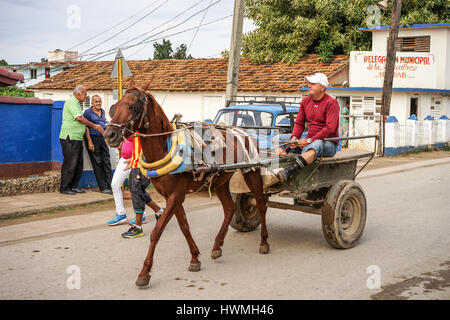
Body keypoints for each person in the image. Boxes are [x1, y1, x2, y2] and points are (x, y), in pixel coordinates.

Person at [276, 73, 340, 183]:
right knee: (278, 138)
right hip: (310, 139)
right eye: (308, 83)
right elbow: (299, 123)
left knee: (317, 144)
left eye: (313, 83)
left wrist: (310, 140)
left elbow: (330, 128)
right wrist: (294, 137)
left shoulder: (331, 103)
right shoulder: (305, 101)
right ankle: (282, 168)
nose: (309, 85)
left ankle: (290, 171)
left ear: (322, 87)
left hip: (328, 143)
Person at [113, 133, 164, 238]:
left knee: (136, 190)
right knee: (137, 190)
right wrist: (133, 159)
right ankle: (159, 212)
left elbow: (149, 144)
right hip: (136, 162)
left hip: (144, 164)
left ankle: (138, 226)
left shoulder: (143, 128)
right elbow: (138, 146)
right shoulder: (135, 128)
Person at [59, 85, 104, 195]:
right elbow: (79, 118)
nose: (86, 96)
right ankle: (65, 188)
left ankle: (74, 186)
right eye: (84, 94)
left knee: (79, 164)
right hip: (69, 137)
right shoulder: (71, 102)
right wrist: (94, 126)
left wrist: (89, 140)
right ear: (78, 94)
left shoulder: (77, 104)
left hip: (77, 138)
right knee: (70, 163)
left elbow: (82, 123)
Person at [83, 95, 113, 194]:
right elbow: (86, 127)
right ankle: (103, 187)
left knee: (106, 161)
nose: (98, 103)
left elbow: (104, 122)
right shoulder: (88, 113)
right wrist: (90, 142)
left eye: (99, 101)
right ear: (92, 103)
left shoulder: (103, 111)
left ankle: (111, 185)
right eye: (96, 101)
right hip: (93, 138)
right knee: (97, 163)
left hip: (102, 138)